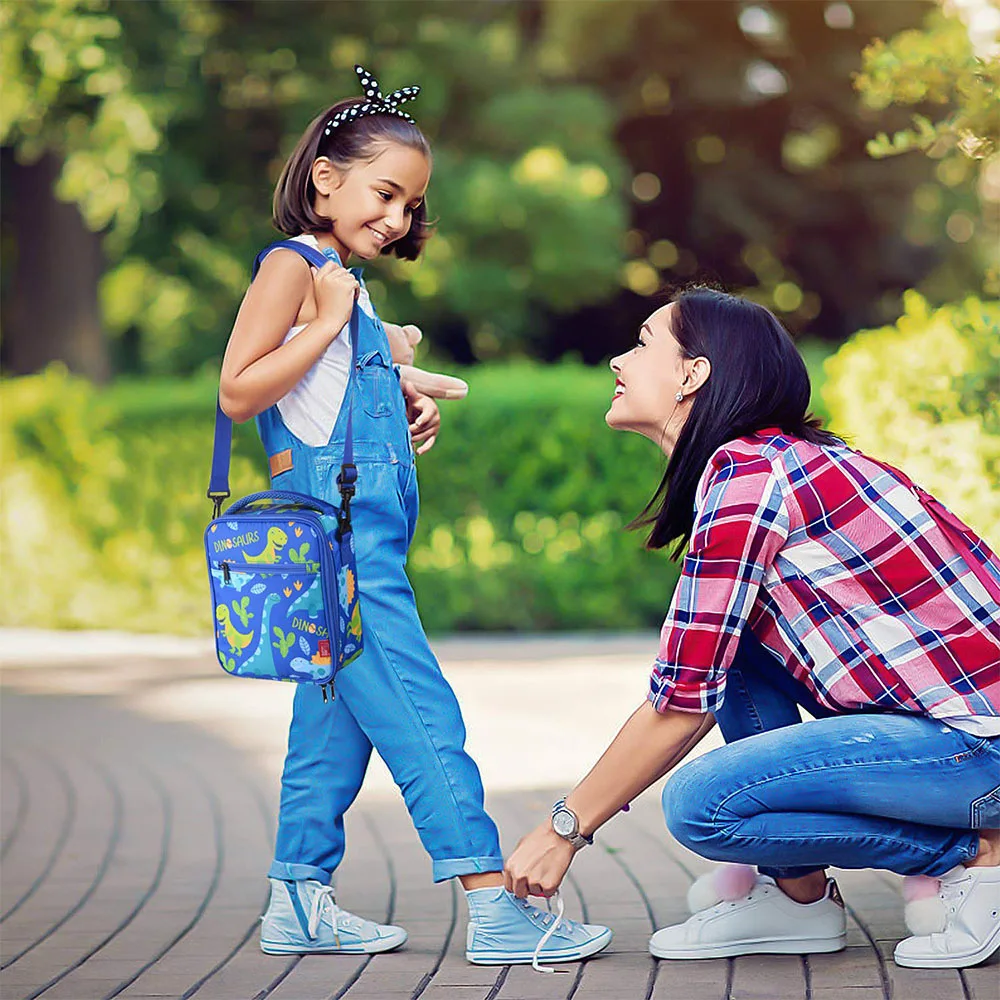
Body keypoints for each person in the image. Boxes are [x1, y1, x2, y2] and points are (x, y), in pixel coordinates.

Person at [218, 64, 612, 967]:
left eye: (409, 204)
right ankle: (491, 898)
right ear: (326, 177)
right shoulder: (296, 267)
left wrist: (402, 394)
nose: (397, 219)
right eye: (384, 193)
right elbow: (241, 389)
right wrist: (326, 327)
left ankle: (299, 898)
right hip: (339, 543)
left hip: (356, 536)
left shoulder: (343, 282)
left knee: (333, 718)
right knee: (417, 707)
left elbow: (332, 393)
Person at [504, 287, 1000, 970]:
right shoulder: (763, 464)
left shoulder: (751, 476)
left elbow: (676, 709)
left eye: (644, 342)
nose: (619, 361)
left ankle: (979, 855)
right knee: (732, 650)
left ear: (693, 373)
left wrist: (565, 828)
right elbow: (698, 674)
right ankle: (796, 899)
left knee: (701, 804)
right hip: (956, 741)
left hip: (980, 752)